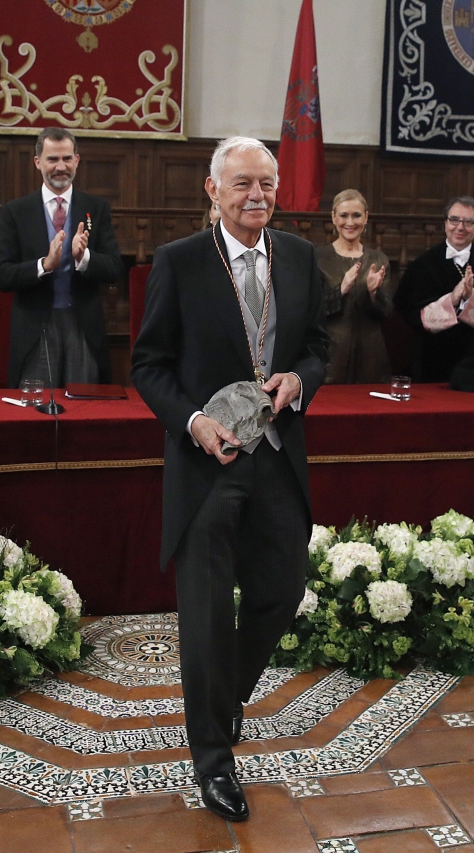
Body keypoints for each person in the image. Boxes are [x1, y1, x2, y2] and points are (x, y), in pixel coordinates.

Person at [130, 137, 327, 823]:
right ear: (211, 189)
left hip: (274, 454)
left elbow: (318, 346)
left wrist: (301, 377)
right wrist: (191, 422)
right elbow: (148, 364)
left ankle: (224, 696)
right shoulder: (179, 262)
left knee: (282, 590)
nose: (259, 195)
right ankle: (214, 760)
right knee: (208, 619)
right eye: (243, 182)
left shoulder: (300, 257)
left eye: (268, 183)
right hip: (206, 464)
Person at [0, 127, 122, 388]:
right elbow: (2, 275)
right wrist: (44, 265)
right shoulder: (15, 212)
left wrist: (83, 258)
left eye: (66, 158)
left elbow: (114, 267)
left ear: (77, 160)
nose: (60, 167)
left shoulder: (96, 208)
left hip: (82, 326)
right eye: (52, 159)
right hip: (35, 328)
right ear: (38, 162)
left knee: (83, 412)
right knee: (34, 416)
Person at [393, 196, 474, 383]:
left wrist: (471, 298)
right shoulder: (424, 263)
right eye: (454, 220)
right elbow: (408, 309)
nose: (460, 227)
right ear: (445, 223)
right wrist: (452, 300)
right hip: (433, 355)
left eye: (468, 222)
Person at [317, 189, 392, 384]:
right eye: (344, 215)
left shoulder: (379, 259)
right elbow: (310, 311)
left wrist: (373, 293)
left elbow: (386, 313)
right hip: (331, 355)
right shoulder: (318, 258)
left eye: (356, 215)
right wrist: (341, 290)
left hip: (371, 356)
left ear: (366, 217)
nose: (350, 222)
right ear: (334, 217)